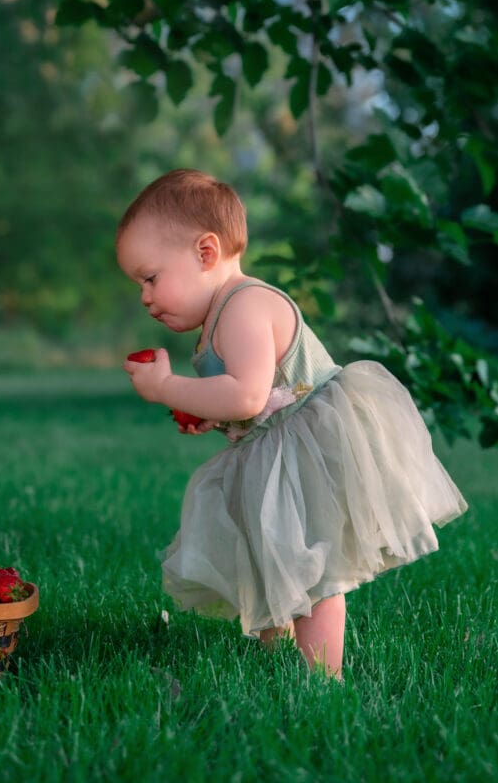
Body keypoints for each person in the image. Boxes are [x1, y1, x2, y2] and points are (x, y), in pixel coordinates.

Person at [116, 169, 467, 678]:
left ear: (206, 252)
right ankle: (273, 657)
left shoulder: (245, 305)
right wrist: (206, 416)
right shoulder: (216, 318)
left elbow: (248, 394)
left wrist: (167, 388)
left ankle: (322, 677)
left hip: (311, 448)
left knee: (311, 568)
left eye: (150, 278)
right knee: (270, 554)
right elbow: (242, 404)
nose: (145, 297)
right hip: (273, 449)